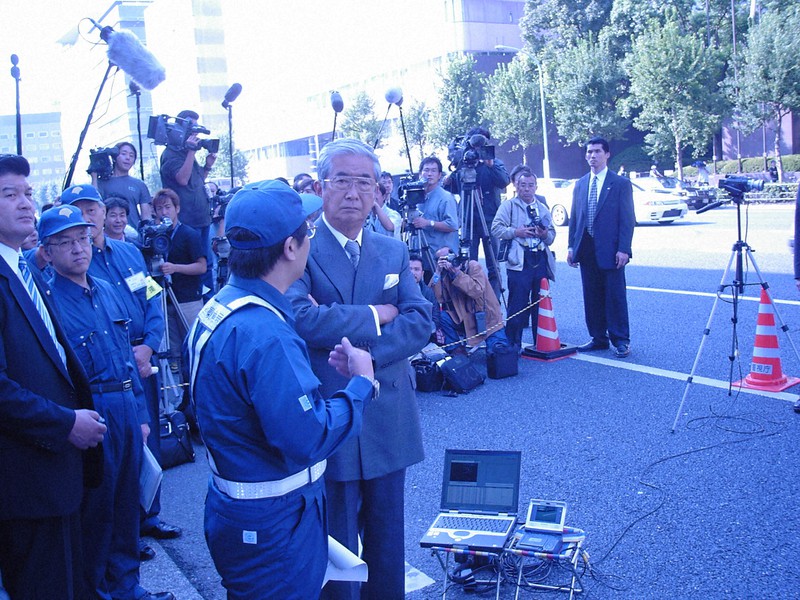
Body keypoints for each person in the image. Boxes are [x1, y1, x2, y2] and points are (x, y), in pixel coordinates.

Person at [187, 180, 376, 598]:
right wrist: (361, 384)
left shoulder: (220, 308)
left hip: (239, 506)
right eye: (306, 231)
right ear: (290, 248)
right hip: (274, 521)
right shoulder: (265, 331)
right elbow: (308, 436)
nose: (310, 239)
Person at [287, 138, 431, 600]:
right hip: (331, 412)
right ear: (321, 188)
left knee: (389, 542)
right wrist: (376, 313)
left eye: (363, 182)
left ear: (377, 191)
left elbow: (420, 318)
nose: (353, 192)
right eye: (342, 181)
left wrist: (367, 356)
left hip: (389, 411)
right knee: (338, 543)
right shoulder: (299, 248)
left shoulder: (391, 250)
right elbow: (300, 318)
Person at [38, 204, 173, 600]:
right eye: (65, 242)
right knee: (96, 509)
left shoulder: (108, 290)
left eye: (82, 238)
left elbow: (125, 356)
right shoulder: (49, 302)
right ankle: (96, 590)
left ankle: (127, 585)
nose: (78, 248)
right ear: (47, 251)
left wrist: (141, 413)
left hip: (125, 407)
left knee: (126, 502)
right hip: (90, 410)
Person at [0, 154, 105, 600]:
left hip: (58, 471)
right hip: (26, 477)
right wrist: (65, 424)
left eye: (27, 192)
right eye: (9, 195)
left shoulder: (25, 270)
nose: (26, 203)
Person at [61, 184, 180, 558]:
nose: (89, 216)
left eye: (92, 208)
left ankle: (149, 515)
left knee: (148, 439)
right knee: (115, 454)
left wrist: (148, 346)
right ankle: (125, 533)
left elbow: (151, 298)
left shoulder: (129, 253)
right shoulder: (74, 262)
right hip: (109, 369)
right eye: (78, 210)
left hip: (143, 358)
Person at [567, 136, 635, 358]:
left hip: (612, 251)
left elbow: (627, 219)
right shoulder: (580, 184)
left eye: (597, 151)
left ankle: (621, 340)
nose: (592, 156)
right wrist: (571, 247)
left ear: (607, 154)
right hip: (586, 250)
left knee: (615, 297)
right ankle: (598, 337)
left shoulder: (620, 184)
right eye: (589, 152)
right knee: (592, 296)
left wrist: (624, 248)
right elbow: (576, 218)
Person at [492, 168, 556, 348]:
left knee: (540, 302)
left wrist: (543, 234)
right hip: (519, 260)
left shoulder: (542, 208)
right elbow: (496, 228)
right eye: (523, 185)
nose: (526, 189)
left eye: (530, 185)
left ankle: (541, 341)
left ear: (536, 187)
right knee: (517, 304)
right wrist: (516, 232)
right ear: (516, 186)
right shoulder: (509, 206)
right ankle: (513, 344)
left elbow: (551, 236)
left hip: (540, 258)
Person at [444, 127, 510, 299]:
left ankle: (494, 303)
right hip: (467, 220)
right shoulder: (462, 162)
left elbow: (504, 182)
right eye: (474, 142)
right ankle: (471, 302)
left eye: (482, 143)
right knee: (467, 263)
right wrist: (455, 166)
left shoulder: (493, 161)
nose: (477, 147)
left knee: (493, 264)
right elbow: (450, 187)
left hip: (490, 219)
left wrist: (490, 164)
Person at [159, 109, 217, 295]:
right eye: (190, 129)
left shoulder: (187, 154)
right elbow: (182, 179)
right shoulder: (170, 154)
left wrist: (207, 165)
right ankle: (199, 301)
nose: (194, 135)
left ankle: (208, 300)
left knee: (207, 264)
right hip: (187, 221)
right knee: (196, 264)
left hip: (202, 218)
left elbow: (196, 180)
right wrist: (191, 151)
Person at [151, 188, 207, 373]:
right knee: (173, 349)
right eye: (159, 208)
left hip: (188, 299)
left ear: (177, 208)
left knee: (193, 343)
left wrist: (175, 268)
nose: (164, 212)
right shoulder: (155, 236)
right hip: (165, 300)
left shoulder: (189, 234)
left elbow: (202, 267)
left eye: (168, 207)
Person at [430, 246, 509, 354]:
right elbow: (436, 297)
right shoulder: (444, 275)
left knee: (498, 352)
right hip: (463, 318)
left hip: (486, 318)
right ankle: (456, 350)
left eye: (449, 257)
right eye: (443, 259)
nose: (448, 261)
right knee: (442, 317)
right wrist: (438, 272)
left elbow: (476, 291)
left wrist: (457, 273)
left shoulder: (472, 266)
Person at [410, 156, 459, 275]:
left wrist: (428, 223)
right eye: (426, 170)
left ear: (439, 175)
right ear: (420, 173)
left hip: (440, 257)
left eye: (433, 170)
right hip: (422, 256)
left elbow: (453, 225)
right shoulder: (416, 196)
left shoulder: (446, 197)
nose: (429, 174)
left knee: (440, 291)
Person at [91, 141, 153, 228]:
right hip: (109, 235)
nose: (128, 158)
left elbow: (146, 216)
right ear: (114, 157)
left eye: (131, 155)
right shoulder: (102, 182)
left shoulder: (139, 184)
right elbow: (94, 203)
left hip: (134, 235)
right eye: (124, 154)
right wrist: (94, 177)